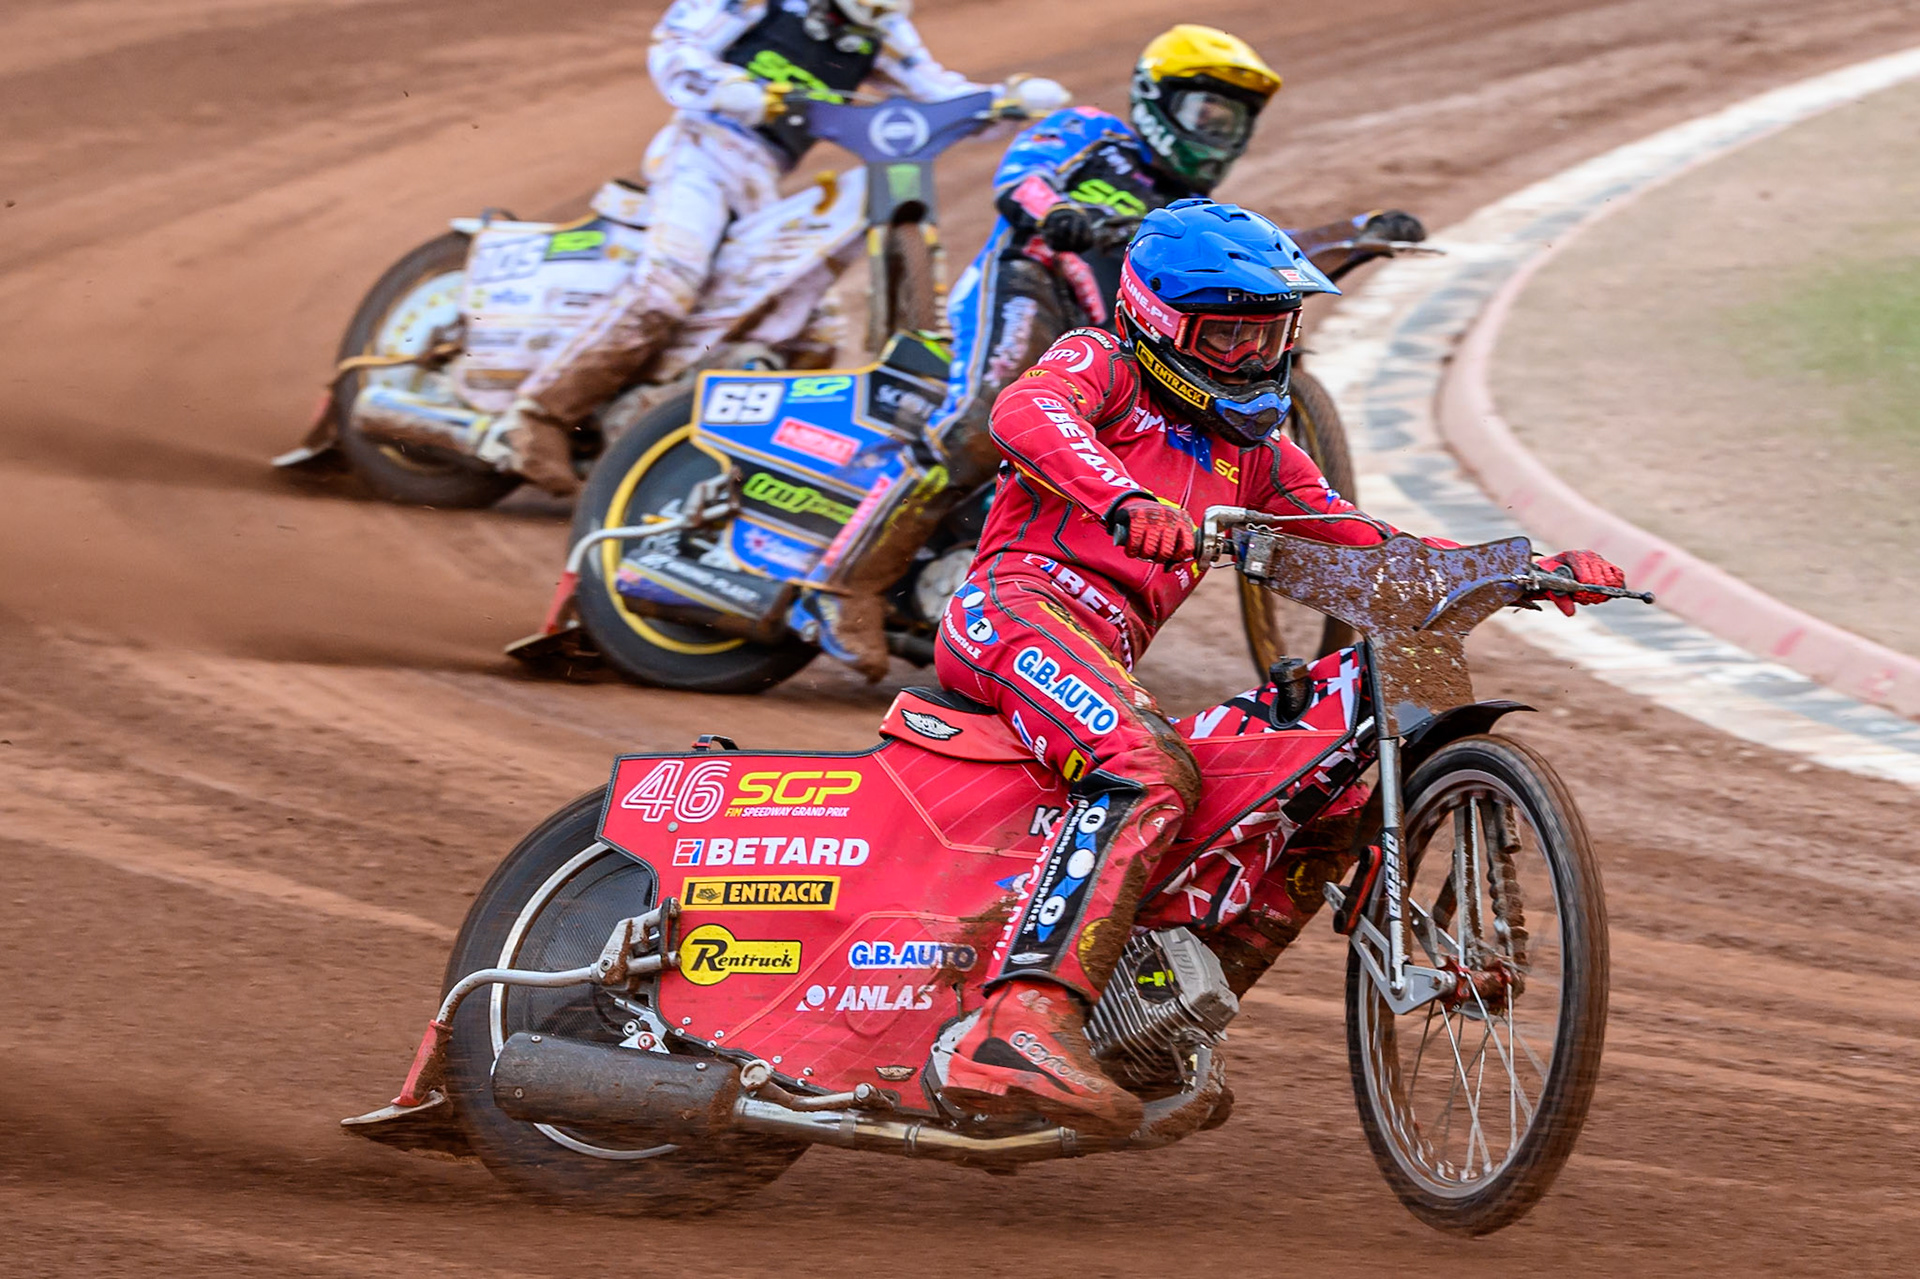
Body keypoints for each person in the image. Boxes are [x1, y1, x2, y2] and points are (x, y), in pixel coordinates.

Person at [927, 198, 1626, 1136]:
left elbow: (1373, 550)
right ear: (1160, 322)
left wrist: (1521, 567)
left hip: (1095, 651)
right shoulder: (1104, 363)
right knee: (1148, 766)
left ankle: (1153, 1022)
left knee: (1320, 799)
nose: (1256, 358)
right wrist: (1124, 496)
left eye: (1272, 335)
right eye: (1230, 337)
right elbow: (1027, 412)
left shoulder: (1260, 457)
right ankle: (1017, 1026)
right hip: (1010, 609)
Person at [792, 23, 1425, 679]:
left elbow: (1264, 262)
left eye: (1231, 120)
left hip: (1123, 334)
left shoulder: (1193, 207)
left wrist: (1359, 232)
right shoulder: (1090, 132)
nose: (1216, 131)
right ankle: (843, 584)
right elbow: (1021, 176)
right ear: (1157, 99)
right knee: (982, 424)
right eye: (1203, 110)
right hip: (1030, 282)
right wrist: (1059, 211)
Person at [463, 0, 1041, 498]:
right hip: (702, 151)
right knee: (670, 287)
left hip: (762, 181)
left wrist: (1004, 100)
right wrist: (730, 89)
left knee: (806, 333)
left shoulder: (878, 30)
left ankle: (654, 432)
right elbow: (672, 48)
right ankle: (535, 416)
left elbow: (937, 95)